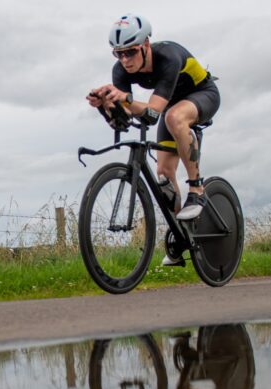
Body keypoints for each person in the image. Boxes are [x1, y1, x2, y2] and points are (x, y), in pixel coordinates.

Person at [86, 14, 221, 266]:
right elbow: (128, 119)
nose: (125, 60)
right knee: (164, 174)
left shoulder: (169, 57)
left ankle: (197, 189)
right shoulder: (121, 71)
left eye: (131, 52)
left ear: (146, 44)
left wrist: (124, 100)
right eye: (119, 54)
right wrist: (106, 106)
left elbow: (152, 112)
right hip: (169, 106)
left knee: (174, 117)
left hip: (202, 94)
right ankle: (184, 239)